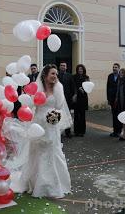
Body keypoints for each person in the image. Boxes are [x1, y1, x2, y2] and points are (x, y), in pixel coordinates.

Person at [18, 64, 72, 198]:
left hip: (51, 126)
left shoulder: (58, 88)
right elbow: (32, 105)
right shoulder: (37, 89)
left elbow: (60, 106)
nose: (55, 76)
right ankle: (37, 182)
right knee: (37, 152)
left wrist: (55, 116)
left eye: (56, 74)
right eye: (52, 74)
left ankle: (52, 184)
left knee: (52, 151)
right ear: (45, 75)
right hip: (38, 124)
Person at [58, 61, 76, 138]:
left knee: (67, 115)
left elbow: (73, 86)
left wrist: (74, 95)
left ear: (66, 67)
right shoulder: (56, 75)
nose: (63, 67)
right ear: (59, 67)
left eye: (64, 66)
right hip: (58, 99)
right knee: (58, 114)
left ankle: (68, 132)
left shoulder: (69, 76)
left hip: (67, 99)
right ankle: (59, 132)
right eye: (61, 65)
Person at [73, 64, 89, 137]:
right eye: (79, 69)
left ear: (83, 70)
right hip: (76, 98)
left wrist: (84, 90)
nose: (80, 70)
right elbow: (73, 86)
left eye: (81, 69)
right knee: (76, 115)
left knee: (82, 115)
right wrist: (76, 91)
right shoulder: (74, 77)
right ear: (77, 70)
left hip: (83, 98)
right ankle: (76, 131)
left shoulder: (86, 77)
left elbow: (89, 87)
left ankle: (82, 131)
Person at [107, 63, 121, 137]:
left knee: (119, 115)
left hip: (119, 100)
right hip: (112, 99)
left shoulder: (121, 76)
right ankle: (115, 131)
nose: (114, 68)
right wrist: (108, 99)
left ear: (119, 68)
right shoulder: (110, 76)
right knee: (114, 115)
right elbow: (108, 87)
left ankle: (119, 131)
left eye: (116, 67)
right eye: (113, 67)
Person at [116, 68, 125, 141]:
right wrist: (116, 99)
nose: (121, 74)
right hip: (120, 102)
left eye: (122, 73)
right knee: (122, 118)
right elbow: (118, 91)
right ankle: (124, 133)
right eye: (120, 73)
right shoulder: (119, 81)